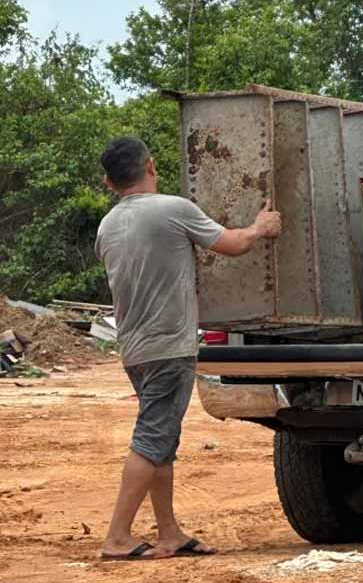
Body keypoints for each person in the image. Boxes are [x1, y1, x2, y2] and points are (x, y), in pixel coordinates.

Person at [94, 136, 281, 560]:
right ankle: (118, 537)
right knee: (151, 438)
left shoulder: (108, 226)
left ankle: (170, 532)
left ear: (109, 182)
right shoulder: (172, 210)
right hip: (169, 346)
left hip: (135, 348)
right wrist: (260, 227)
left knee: (161, 439)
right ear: (151, 166)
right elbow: (233, 244)